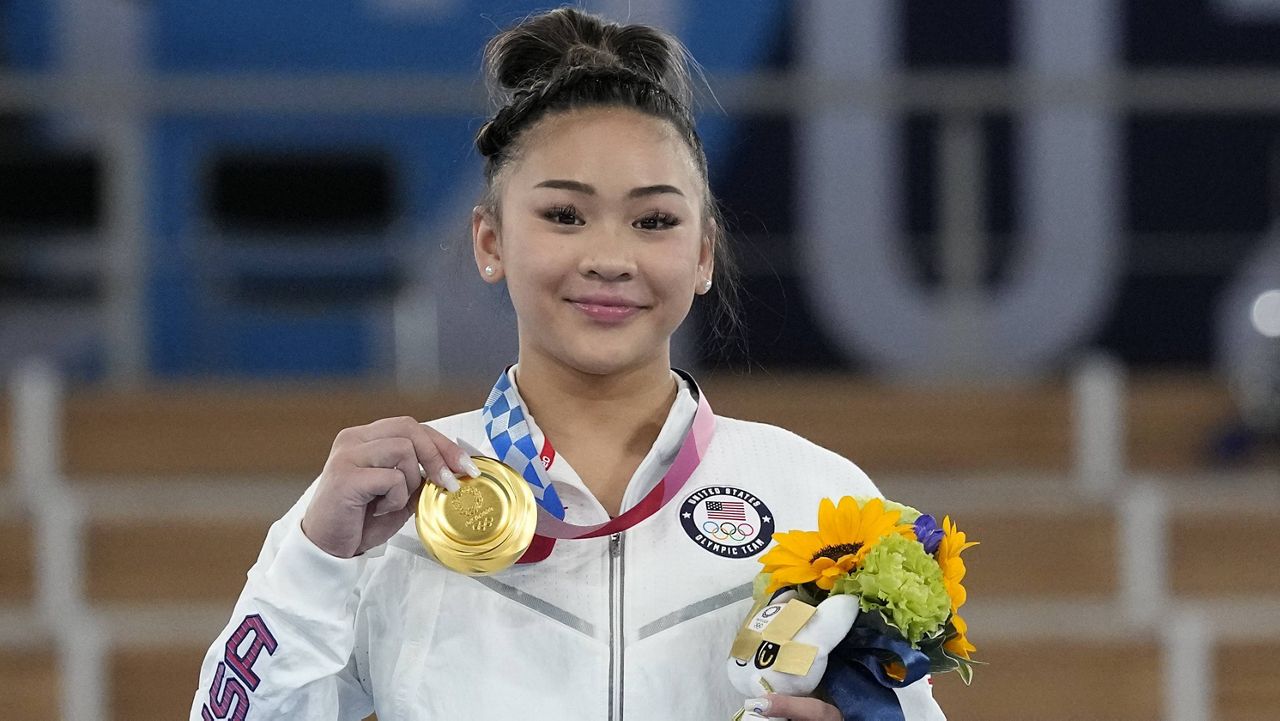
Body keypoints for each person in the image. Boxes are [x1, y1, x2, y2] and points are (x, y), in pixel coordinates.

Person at [191, 8, 946, 721]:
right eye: (564, 215)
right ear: (490, 242)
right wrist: (315, 558)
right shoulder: (384, 511)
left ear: (704, 253)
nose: (610, 258)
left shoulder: (817, 499)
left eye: (654, 220)